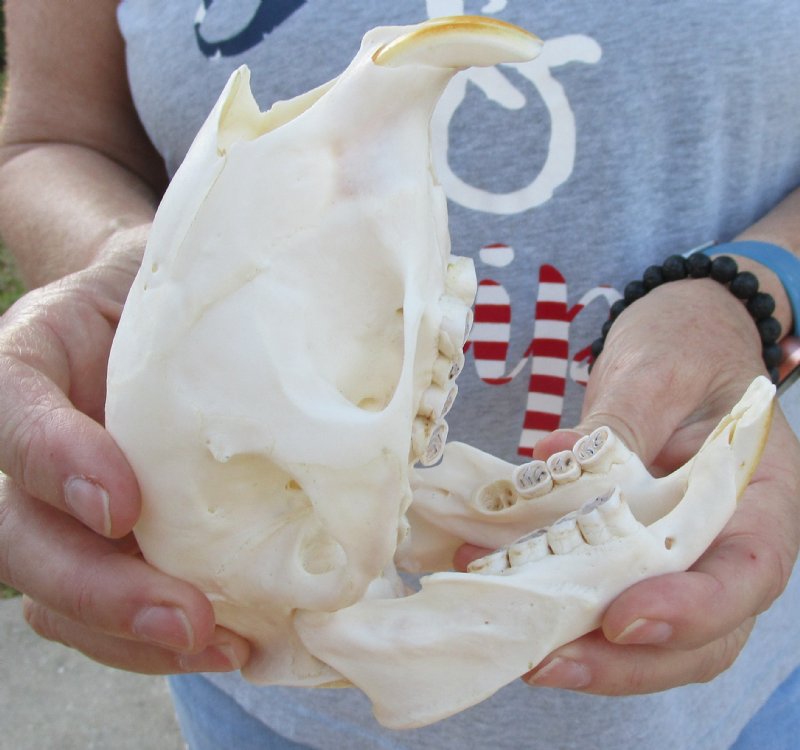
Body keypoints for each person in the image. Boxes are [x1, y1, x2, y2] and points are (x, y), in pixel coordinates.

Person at [1, 1, 799, 748]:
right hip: (256, 701)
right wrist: (146, 284)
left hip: (748, 688)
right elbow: (53, 136)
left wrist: (756, 288)